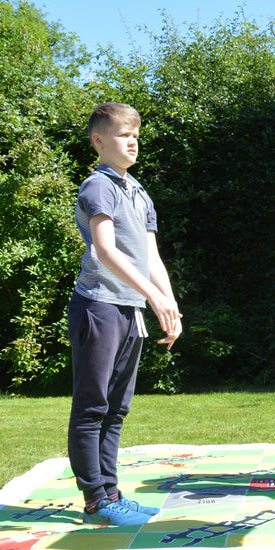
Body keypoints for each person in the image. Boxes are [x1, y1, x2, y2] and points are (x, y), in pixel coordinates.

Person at [67, 102, 182, 527]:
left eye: (136, 134)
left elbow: (152, 256)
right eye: (122, 134)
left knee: (117, 408)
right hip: (98, 305)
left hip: (129, 309)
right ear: (99, 140)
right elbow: (105, 248)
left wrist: (169, 306)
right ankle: (95, 500)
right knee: (92, 407)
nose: (132, 141)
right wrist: (153, 296)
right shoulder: (98, 186)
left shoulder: (139, 192)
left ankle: (111, 493)